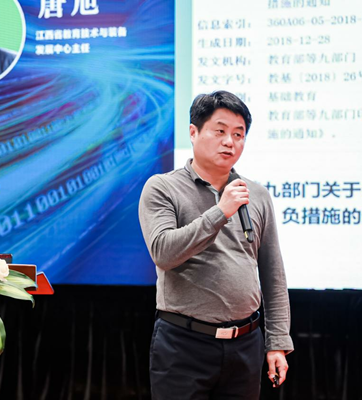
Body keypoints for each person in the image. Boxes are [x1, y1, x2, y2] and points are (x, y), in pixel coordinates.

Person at [139, 91, 293, 399]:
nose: (229, 142)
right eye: (219, 131)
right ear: (193, 132)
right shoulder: (163, 188)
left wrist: (277, 342)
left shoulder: (256, 195)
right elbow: (164, 253)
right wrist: (220, 212)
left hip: (245, 344)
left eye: (238, 134)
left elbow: (272, 272)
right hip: (184, 344)